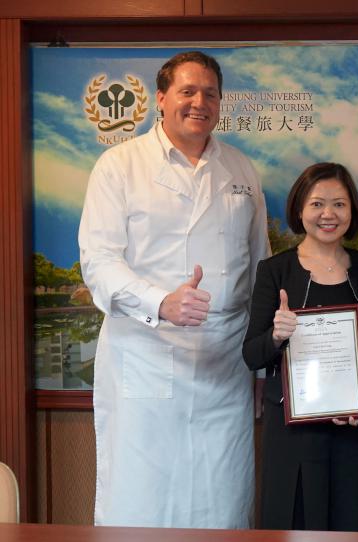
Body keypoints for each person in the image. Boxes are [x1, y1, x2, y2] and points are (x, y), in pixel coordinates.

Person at [78, 51, 269, 528]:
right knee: (143, 495)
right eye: (187, 91)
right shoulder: (119, 165)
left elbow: (261, 267)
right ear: (160, 99)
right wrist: (160, 302)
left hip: (225, 360)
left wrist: (263, 367)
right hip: (145, 352)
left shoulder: (241, 171)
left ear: (221, 102)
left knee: (222, 496)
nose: (198, 102)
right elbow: (98, 262)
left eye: (209, 93)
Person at [242, 162, 358, 531]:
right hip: (292, 433)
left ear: (352, 211)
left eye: (339, 204)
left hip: (353, 427)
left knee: (352, 521)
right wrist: (276, 334)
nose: (328, 214)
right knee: (294, 521)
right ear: (299, 209)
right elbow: (251, 354)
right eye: (317, 203)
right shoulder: (275, 271)